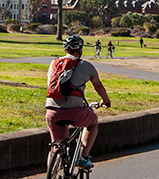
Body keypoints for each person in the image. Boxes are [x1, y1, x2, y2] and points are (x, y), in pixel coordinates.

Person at [45, 34, 111, 169]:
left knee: (56, 145)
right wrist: (105, 100)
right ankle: (83, 157)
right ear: (80, 49)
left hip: (52, 111)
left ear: (65, 50)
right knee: (93, 122)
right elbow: (98, 86)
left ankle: (52, 178)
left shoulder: (54, 63)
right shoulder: (86, 65)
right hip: (75, 112)